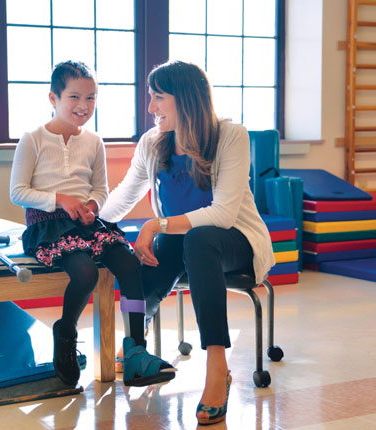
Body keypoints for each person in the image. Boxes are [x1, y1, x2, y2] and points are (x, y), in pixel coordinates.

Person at [99, 60, 275, 426]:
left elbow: (224, 214)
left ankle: (217, 365)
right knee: (134, 267)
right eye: (151, 98)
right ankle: (135, 339)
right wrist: (90, 220)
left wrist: (157, 223)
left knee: (198, 239)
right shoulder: (152, 142)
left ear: (187, 99)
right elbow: (126, 194)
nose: (151, 109)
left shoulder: (231, 136)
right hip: (182, 243)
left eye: (158, 98)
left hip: (233, 244)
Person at [10, 60, 176, 388]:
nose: (84, 106)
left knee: (129, 266)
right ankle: (66, 332)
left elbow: (100, 188)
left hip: (87, 223)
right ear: (53, 98)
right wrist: (61, 200)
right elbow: (18, 192)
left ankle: (135, 352)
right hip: (49, 225)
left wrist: (91, 205)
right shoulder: (32, 139)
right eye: (75, 97)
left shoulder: (94, 142)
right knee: (85, 272)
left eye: (91, 98)